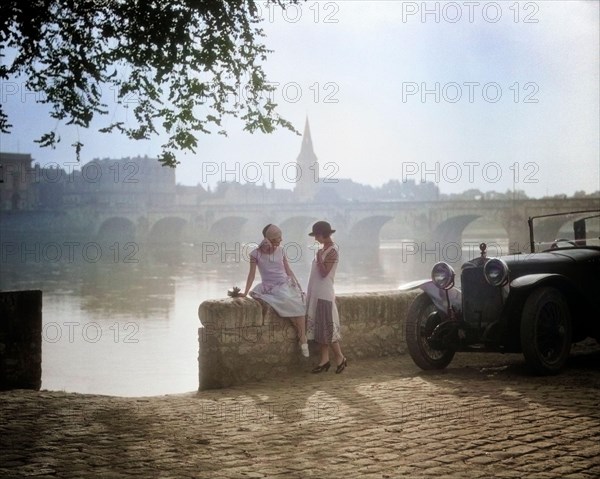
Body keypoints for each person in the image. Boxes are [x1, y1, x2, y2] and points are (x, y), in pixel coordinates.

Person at [241, 224, 309, 357]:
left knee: (298, 302)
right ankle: (303, 340)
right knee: (288, 301)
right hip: (270, 287)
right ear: (271, 238)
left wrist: (297, 284)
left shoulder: (281, 250)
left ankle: (303, 339)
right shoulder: (255, 254)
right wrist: (244, 292)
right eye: (278, 238)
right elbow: (251, 275)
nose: (281, 240)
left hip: (285, 284)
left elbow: (287, 270)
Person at [306, 221, 347, 374]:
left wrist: (318, 257)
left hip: (324, 293)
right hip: (317, 292)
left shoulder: (332, 251)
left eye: (317, 235)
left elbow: (324, 273)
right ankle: (325, 360)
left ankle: (340, 357)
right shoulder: (324, 249)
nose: (315, 239)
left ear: (324, 234)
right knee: (320, 328)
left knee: (327, 327)